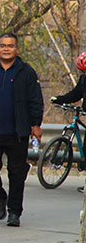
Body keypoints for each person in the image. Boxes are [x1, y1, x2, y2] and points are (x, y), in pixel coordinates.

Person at [0, 33, 43, 228]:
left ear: (17, 49)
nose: (6, 49)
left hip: (17, 133)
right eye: (3, 45)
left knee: (16, 174)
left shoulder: (26, 72)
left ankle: (14, 212)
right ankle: (0, 197)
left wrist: (36, 124)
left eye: (10, 46)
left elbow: (35, 100)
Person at [50, 51, 86, 192]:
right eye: (82, 71)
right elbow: (75, 94)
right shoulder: (83, 79)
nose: (84, 73)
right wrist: (60, 99)